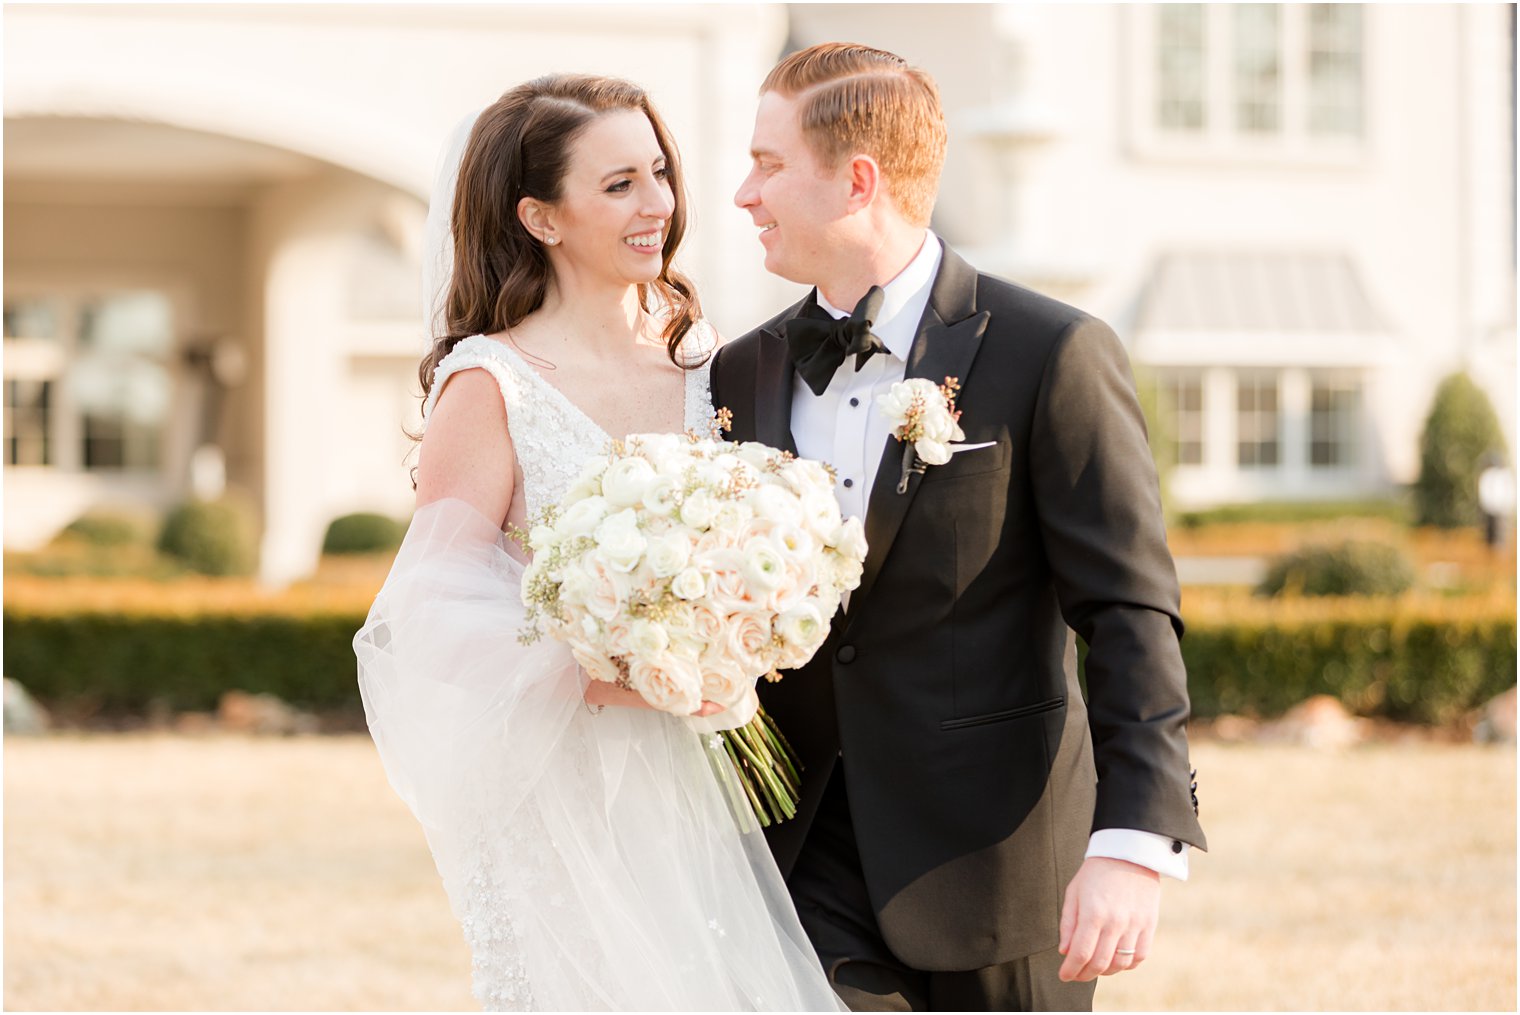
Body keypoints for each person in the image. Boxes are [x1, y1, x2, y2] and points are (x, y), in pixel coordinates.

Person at [710, 42, 1207, 1011]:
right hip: (800, 860)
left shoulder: (1049, 352)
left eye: (767, 164)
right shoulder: (739, 375)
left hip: (1005, 866)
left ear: (856, 180)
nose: (741, 193)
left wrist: (1133, 842)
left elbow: (1127, 608)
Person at [354, 74, 842, 1012]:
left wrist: (741, 623)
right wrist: (604, 665)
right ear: (541, 216)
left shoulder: (710, 362)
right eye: (618, 183)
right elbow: (430, 613)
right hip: (568, 784)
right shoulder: (492, 383)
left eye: (658, 171)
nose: (657, 202)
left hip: (720, 767)